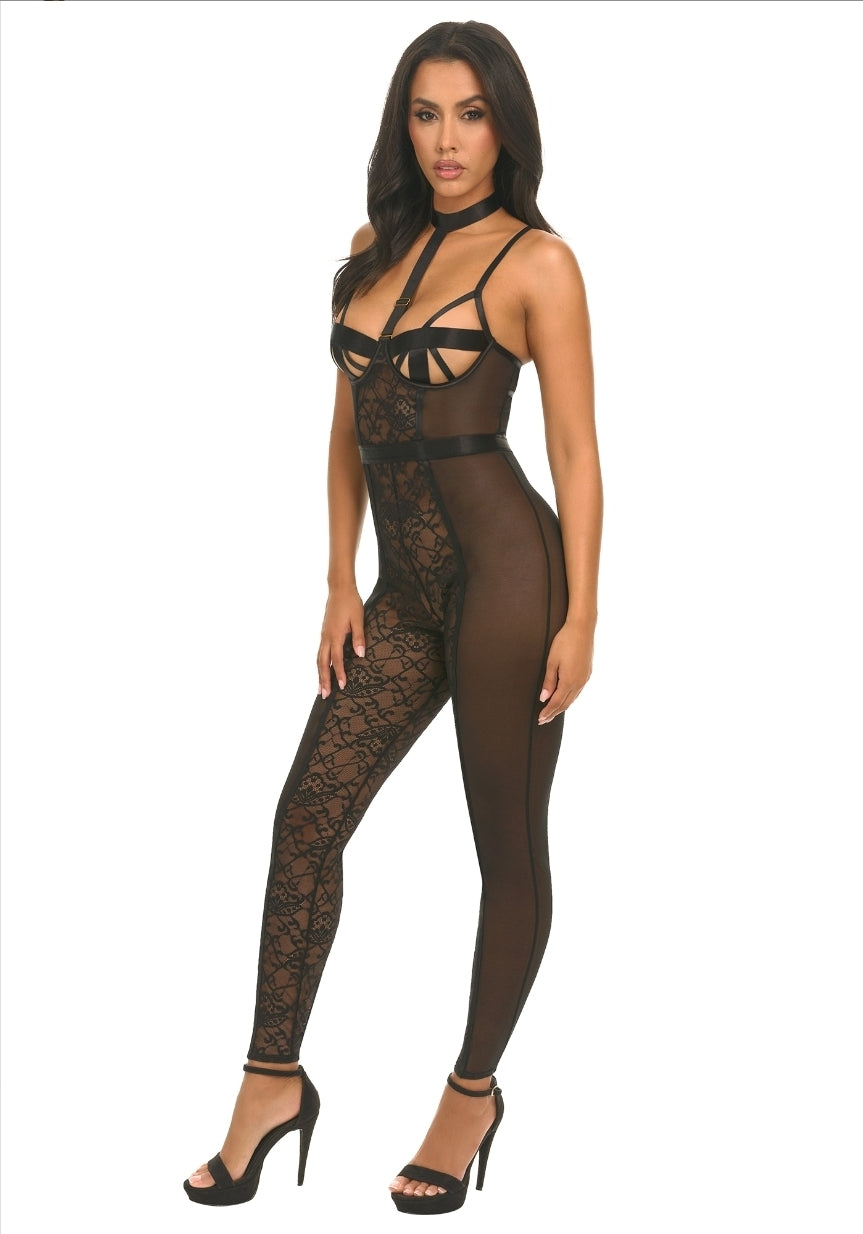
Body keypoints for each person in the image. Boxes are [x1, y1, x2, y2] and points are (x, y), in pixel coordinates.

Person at [184, 19, 602, 1216]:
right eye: (425, 114)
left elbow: (574, 452)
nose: (446, 140)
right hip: (402, 596)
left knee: (503, 845)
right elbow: (345, 434)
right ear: (400, 126)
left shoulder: (537, 263)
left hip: (512, 581)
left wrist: (583, 615)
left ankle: (470, 1096)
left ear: (504, 126)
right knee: (304, 819)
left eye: (469, 114)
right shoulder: (378, 247)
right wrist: (337, 578)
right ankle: (272, 1082)